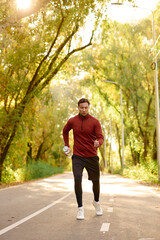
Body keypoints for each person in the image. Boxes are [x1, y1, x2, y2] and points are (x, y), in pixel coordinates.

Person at [63, 98, 104, 220]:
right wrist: (66, 145)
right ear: (78, 108)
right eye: (82, 107)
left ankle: (96, 202)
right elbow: (65, 131)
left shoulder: (95, 122)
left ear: (89, 107)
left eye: (86, 107)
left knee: (96, 181)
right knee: (77, 178)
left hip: (92, 156)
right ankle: (80, 208)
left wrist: (98, 143)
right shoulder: (72, 121)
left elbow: (101, 137)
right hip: (78, 156)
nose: (84, 109)